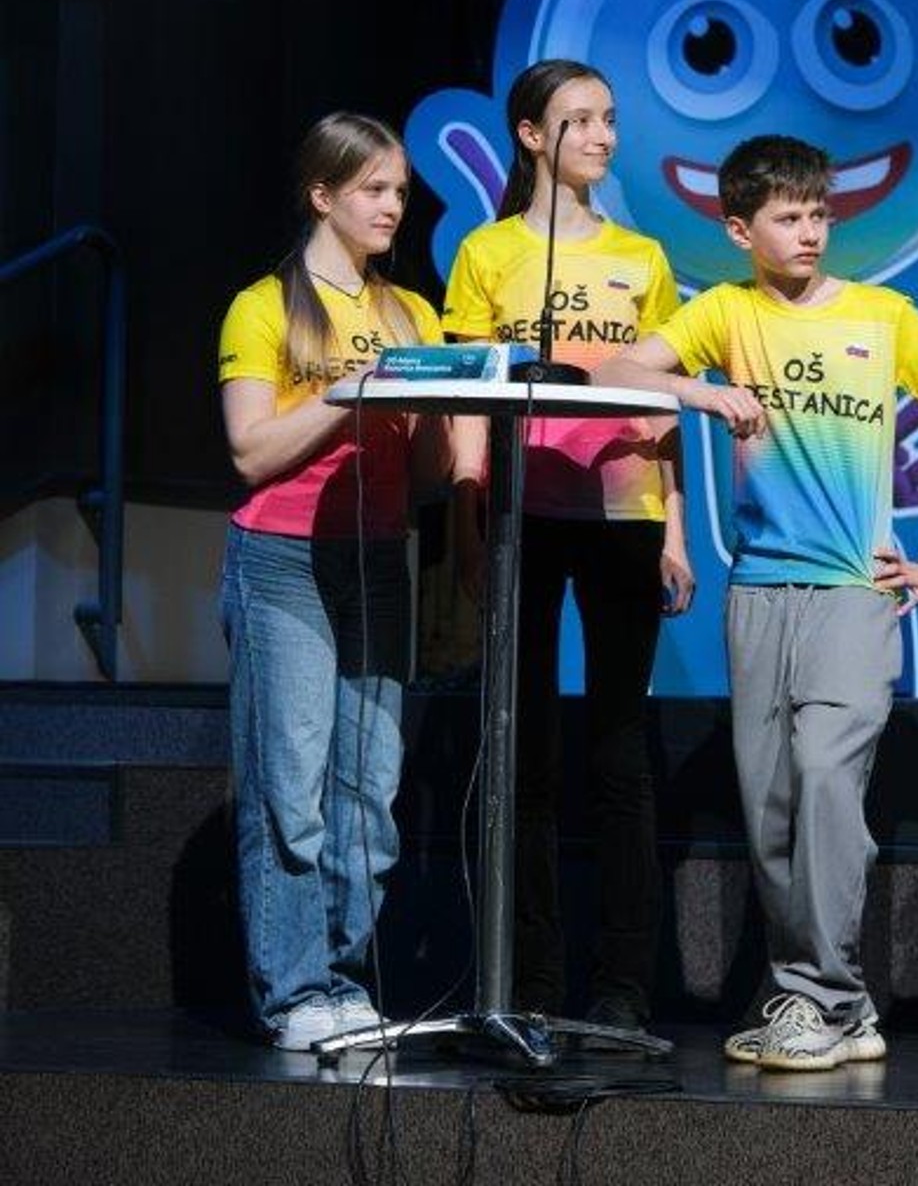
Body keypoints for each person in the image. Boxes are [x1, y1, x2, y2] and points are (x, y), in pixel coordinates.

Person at [594, 133, 918, 1071]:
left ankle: (818, 996)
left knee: (824, 780)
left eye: (819, 214)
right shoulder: (726, 312)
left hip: (852, 592)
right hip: (760, 592)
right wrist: (701, 394)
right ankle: (834, 1004)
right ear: (741, 230)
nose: (810, 231)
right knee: (771, 806)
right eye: (788, 216)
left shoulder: (883, 315)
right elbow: (612, 374)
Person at [443, 58, 693, 1037]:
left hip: (625, 512)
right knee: (527, 750)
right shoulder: (487, 252)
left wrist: (676, 529)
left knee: (620, 750)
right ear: (531, 134)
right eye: (580, 119)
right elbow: (467, 398)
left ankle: (623, 982)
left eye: (609, 119)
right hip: (524, 516)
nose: (601, 136)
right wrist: (469, 518)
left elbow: (662, 403)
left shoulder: (643, 257)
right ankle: (531, 977)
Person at [218, 111, 449, 1051]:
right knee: (291, 785)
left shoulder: (412, 312)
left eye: (400, 191)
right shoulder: (263, 305)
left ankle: (344, 979)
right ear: (323, 194)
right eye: (373, 189)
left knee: (370, 787)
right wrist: (346, 395)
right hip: (283, 559)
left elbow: (429, 474)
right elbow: (248, 449)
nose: (393, 206)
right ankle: (293, 990)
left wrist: (445, 407)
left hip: (379, 554)